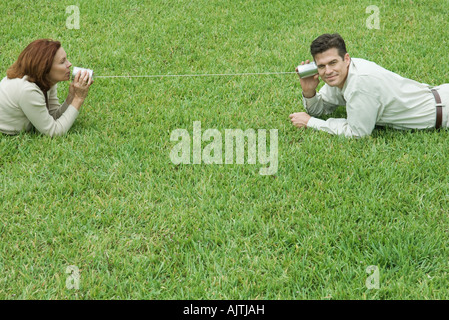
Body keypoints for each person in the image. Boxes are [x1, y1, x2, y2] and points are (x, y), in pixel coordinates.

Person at [289, 33, 448, 138]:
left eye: (332, 62)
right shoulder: (341, 74)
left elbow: (358, 133)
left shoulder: (360, 83)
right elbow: (321, 109)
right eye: (321, 66)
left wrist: (311, 122)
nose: (328, 71)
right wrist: (309, 91)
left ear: (346, 59)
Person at [0, 39, 93, 137]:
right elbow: (53, 132)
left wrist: (72, 96)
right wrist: (78, 99)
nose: (69, 64)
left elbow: (52, 115)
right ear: (45, 68)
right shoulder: (28, 91)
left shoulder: (45, 80)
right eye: (62, 62)